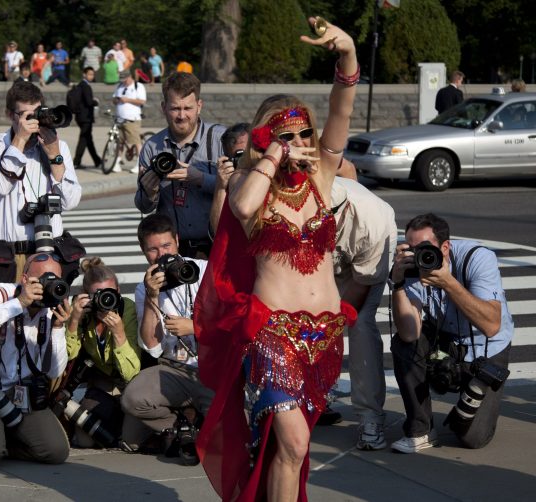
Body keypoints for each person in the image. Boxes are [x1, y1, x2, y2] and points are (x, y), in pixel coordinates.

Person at [194, 18, 359, 501]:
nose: (301, 141)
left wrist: (347, 54)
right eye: (287, 133)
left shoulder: (322, 178)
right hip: (274, 336)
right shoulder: (255, 189)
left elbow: (341, 110)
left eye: (304, 132)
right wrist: (271, 155)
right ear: (268, 138)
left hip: (326, 336)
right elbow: (241, 207)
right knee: (295, 439)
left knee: (290, 451)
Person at [389, 213, 513, 453]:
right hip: (445, 340)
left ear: (445, 247)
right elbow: (409, 333)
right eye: (411, 249)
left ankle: (471, 402)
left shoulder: (477, 258)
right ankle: (421, 430)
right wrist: (397, 284)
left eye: (425, 249)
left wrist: (448, 282)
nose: (419, 256)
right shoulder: (410, 270)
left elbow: (491, 325)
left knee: (471, 438)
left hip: (485, 348)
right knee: (403, 345)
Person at [0, 252, 71, 467]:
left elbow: (54, 371)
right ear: (25, 279)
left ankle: (2, 442)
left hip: (19, 394)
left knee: (56, 451)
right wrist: (20, 303)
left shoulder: (50, 308)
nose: (49, 286)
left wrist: (58, 328)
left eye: (56, 279)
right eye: (43, 279)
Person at [121, 214, 213, 459]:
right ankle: (182, 424)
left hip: (212, 368)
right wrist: (153, 295)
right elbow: (151, 346)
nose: (161, 255)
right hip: (174, 368)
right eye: (153, 249)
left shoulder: (205, 270)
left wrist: (195, 327)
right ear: (144, 252)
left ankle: (199, 421)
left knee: (234, 432)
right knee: (133, 400)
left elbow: (233, 322)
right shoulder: (145, 287)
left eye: (166, 246)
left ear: (178, 241)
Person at [0, 81, 81, 285]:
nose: (33, 121)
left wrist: (54, 156)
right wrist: (20, 141)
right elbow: (0, 186)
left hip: (50, 252)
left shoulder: (58, 147)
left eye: (37, 113)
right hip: (10, 256)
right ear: (10, 115)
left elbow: (70, 201)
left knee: (51, 316)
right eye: (26, 115)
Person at [330, 177, 397, 450]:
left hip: (366, 257)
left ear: (344, 210)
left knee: (359, 325)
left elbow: (357, 292)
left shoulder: (373, 221)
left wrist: (331, 323)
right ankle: (312, 397)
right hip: (319, 261)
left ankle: (370, 417)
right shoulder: (299, 202)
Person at [135, 72, 225, 259]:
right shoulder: (152, 146)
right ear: (163, 107)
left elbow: (240, 189)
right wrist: (149, 191)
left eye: (188, 108)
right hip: (175, 251)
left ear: (199, 106)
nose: (182, 116)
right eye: (175, 108)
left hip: (217, 246)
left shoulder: (220, 140)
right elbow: (143, 206)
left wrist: (200, 178)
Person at [62, 257, 141, 447]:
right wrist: (74, 321)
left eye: (110, 294)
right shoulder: (82, 312)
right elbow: (67, 356)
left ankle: (126, 426)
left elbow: (132, 374)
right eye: (98, 295)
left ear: (119, 292)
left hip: (129, 385)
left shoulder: (126, 309)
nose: (105, 301)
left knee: (131, 440)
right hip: (102, 384)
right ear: (85, 295)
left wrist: (119, 334)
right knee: (85, 440)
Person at [209, 122, 249, 234]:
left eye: (250, 153)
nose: (248, 161)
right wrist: (221, 187)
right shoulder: (229, 187)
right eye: (240, 156)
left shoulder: (272, 176)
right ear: (228, 160)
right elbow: (218, 230)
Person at [111, 69, 146, 174]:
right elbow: (113, 100)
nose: (123, 81)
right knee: (119, 142)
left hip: (132, 119)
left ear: (129, 76)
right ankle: (117, 162)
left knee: (136, 142)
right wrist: (117, 100)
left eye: (125, 79)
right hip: (120, 119)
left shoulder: (138, 86)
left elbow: (142, 101)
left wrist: (127, 100)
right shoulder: (120, 86)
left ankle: (140, 164)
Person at [73, 67, 103, 170]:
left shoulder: (80, 85)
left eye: (92, 74)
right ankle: (76, 162)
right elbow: (89, 102)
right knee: (83, 139)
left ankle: (97, 161)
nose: (91, 76)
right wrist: (96, 101)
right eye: (89, 74)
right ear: (84, 74)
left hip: (80, 116)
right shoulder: (85, 86)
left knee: (88, 140)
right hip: (86, 117)